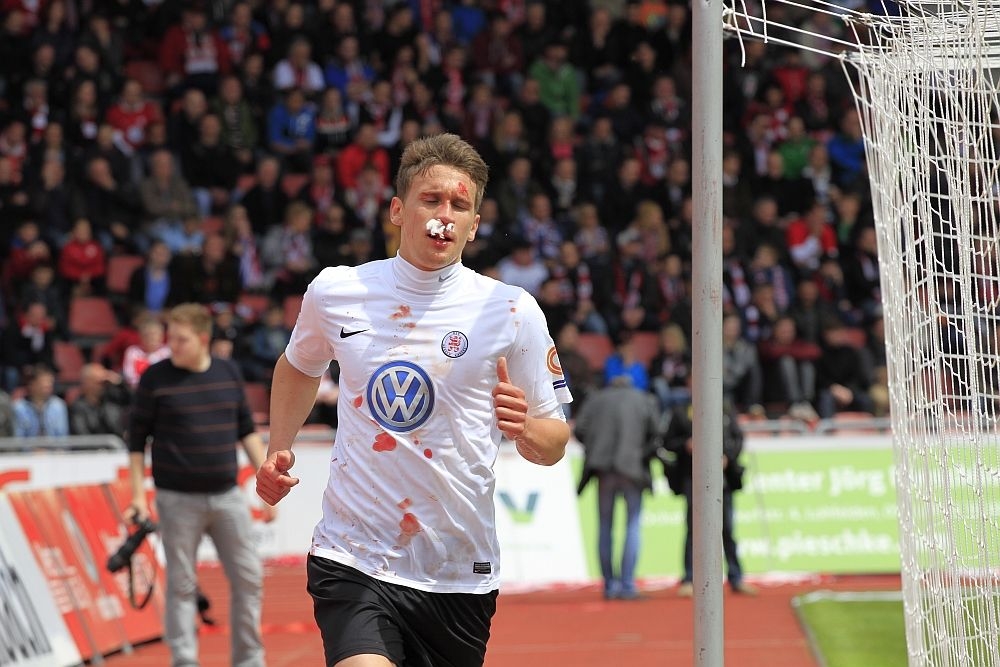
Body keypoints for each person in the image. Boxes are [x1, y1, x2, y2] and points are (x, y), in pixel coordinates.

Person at [255, 133, 573, 667]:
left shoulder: (511, 311)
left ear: (475, 224)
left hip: (458, 570)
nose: (444, 216)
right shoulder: (336, 291)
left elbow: (554, 441)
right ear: (398, 211)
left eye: (459, 206)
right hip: (354, 556)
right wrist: (278, 447)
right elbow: (298, 365)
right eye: (431, 200)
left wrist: (523, 430)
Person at [126, 303, 273, 667]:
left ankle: (249, 661)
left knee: (249, 578)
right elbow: (136, 442)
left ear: (203, 339)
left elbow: (246, 431)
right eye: (171, 338)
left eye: (181, 339)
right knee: (181, 584)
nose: (172, 346)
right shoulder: (154, 378)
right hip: (176, 499)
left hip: (227, 495)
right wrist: (137, 497)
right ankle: (184, 661)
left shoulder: (228, 372)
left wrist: (267, 485)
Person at [574, 375, 662, 601]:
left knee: (605, 525)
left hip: (603, 469)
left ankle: (609, 585)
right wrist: (640, 452)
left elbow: (579, 429)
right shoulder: (643, 399)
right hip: (632, 468)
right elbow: (656, 433)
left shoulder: (596, 400)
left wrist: (595, 447)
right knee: (632, 524)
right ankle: (627, 584)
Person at [662, 396, 757, 597]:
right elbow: (668, 442)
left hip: (723, 480)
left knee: (727, 529)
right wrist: (685, 445)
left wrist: (728, 457)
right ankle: (689, 578)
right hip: (693, 478)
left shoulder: (725, 408)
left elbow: (737, 439)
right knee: (694, 529)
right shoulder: (682, 411)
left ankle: (736, 577)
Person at [69, 363, 130, 437]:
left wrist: (119, 382)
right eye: (99, 382)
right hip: (92, 444)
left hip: (116, 443)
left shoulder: (111, 403)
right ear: (87, 383)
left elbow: (131, 400)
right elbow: (81, 435)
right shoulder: (78, 407)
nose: (102, 386)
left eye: (104, 383)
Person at [12, 364, 69, 438]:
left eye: (50, 382)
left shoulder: (58, 405)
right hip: (29, 445)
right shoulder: (18, 407)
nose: (48, 385)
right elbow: (18, 437)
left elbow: (63, 436)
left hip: (54, 445)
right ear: (32, 384)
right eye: (43, 382)